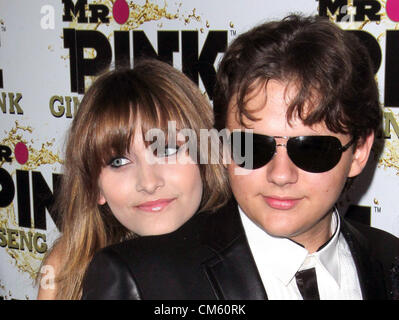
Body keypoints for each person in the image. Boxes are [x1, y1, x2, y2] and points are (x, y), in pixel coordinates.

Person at [81, 14, 399, 300]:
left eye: (311, 150)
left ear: (359, 151)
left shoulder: (389, 260)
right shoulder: (142, 281)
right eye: (252, 147)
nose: (280, 174)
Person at [36, 59, 230, 299]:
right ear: (95, 187)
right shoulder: (67, 270)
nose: (148, 182)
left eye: (167, 149)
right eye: (118, 162)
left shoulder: (253, 254)